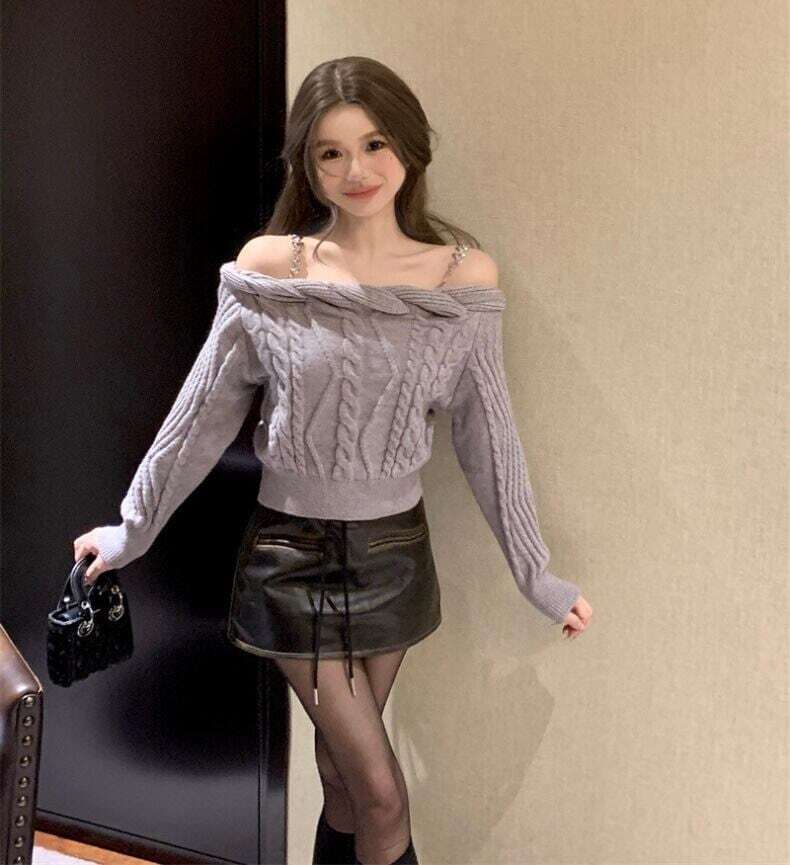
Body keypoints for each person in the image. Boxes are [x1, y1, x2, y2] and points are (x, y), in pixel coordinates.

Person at [73, 55, 593, 865]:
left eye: (375, 143)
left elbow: (490, 439)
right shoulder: (270, 272)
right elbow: (199, 417)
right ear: (307, 166)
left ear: (409, 146)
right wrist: (130, 529)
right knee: (382, 792)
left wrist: (538, 576)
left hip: (395, 553)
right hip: (290, 557)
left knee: (344, 777)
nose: (358, 170)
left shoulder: (461, 280)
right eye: (331, 152)